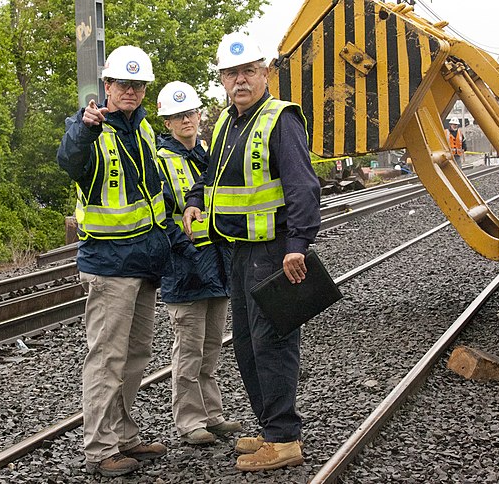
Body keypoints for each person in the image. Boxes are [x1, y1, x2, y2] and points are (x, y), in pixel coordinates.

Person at [182, 32, 321, 472]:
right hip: (238, 251)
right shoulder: (227, 122)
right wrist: (194, 198)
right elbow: (212, 174)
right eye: (231, 73)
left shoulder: (281, 119)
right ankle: (269, 427)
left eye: (248, 72)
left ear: (265, 73)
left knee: (272, 342)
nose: (240, 80)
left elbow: (303, 185)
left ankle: (284, 439)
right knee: (245, 343)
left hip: (274, 249)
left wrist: (297, 245)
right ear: (222, 79)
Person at [56, 45, 170, 478]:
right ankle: (100, 448)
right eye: (123, 84)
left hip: (143, 261)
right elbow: (69, 161)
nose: (131, 91)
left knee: (136, 354)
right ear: (107, 86)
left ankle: (123, 435)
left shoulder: (141, 129)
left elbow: (151, 195)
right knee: (106, 359)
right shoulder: (88, 127)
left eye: (138, 85)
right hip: (108, 263)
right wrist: (84, 129)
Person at [155, 81, 242, 446]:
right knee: (189, 350)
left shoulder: (209, 153)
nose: (185, 120)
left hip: (217, 264)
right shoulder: (159, 160)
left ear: (199, 115)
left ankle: (212, 415)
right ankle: (190, 421)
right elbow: (160, 215)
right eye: (177, 116)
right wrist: (187, 253)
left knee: (211, 347)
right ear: (167, 123)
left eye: (189, 112)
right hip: (184, 267)